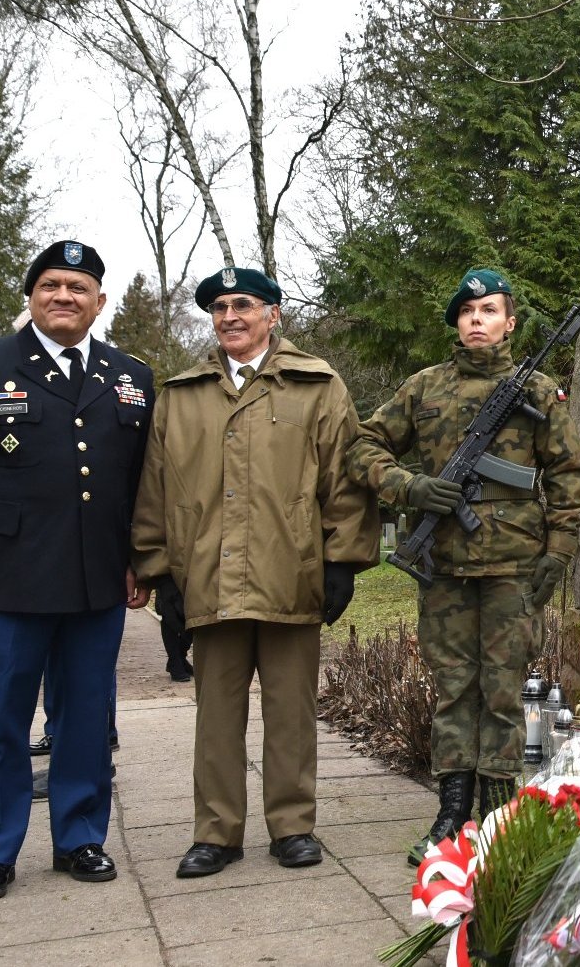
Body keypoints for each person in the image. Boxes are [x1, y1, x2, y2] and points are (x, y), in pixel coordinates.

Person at [0, 240, 154, 902]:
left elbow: (141, 484)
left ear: (98, 303)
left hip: (96, 580)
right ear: (31, 295)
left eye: (78, 288)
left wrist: (141, 559)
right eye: (50, 285)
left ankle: (80, 838)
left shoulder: (130, 373)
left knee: (84, 719)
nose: (63, 297)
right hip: (2, 582)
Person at [130, 266, 378, 879]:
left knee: (292, 711)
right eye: (218, 307)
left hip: (292, 574)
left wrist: (343, 561)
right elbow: (155, 490)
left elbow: (345, 482)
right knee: (215, 713)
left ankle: (293, 826)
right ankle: (216, 833)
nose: (230, 316)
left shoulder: (317, 386)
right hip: (207, 578)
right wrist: (162, 572)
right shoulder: (181, 395)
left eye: (244, 304)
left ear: (273, 313)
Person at [345, 268, 580, 864]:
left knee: (504, 690)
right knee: (454, 689)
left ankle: (499, 814)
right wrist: (411, 487)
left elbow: (569, 475)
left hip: (514, 569)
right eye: (467, 312)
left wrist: (559, 550)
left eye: (489, 311)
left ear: (510, 323)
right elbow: (362, 446)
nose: (476, 320)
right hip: (445, 568)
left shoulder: (537, 393)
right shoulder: (424, 388)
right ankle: (452, 812)